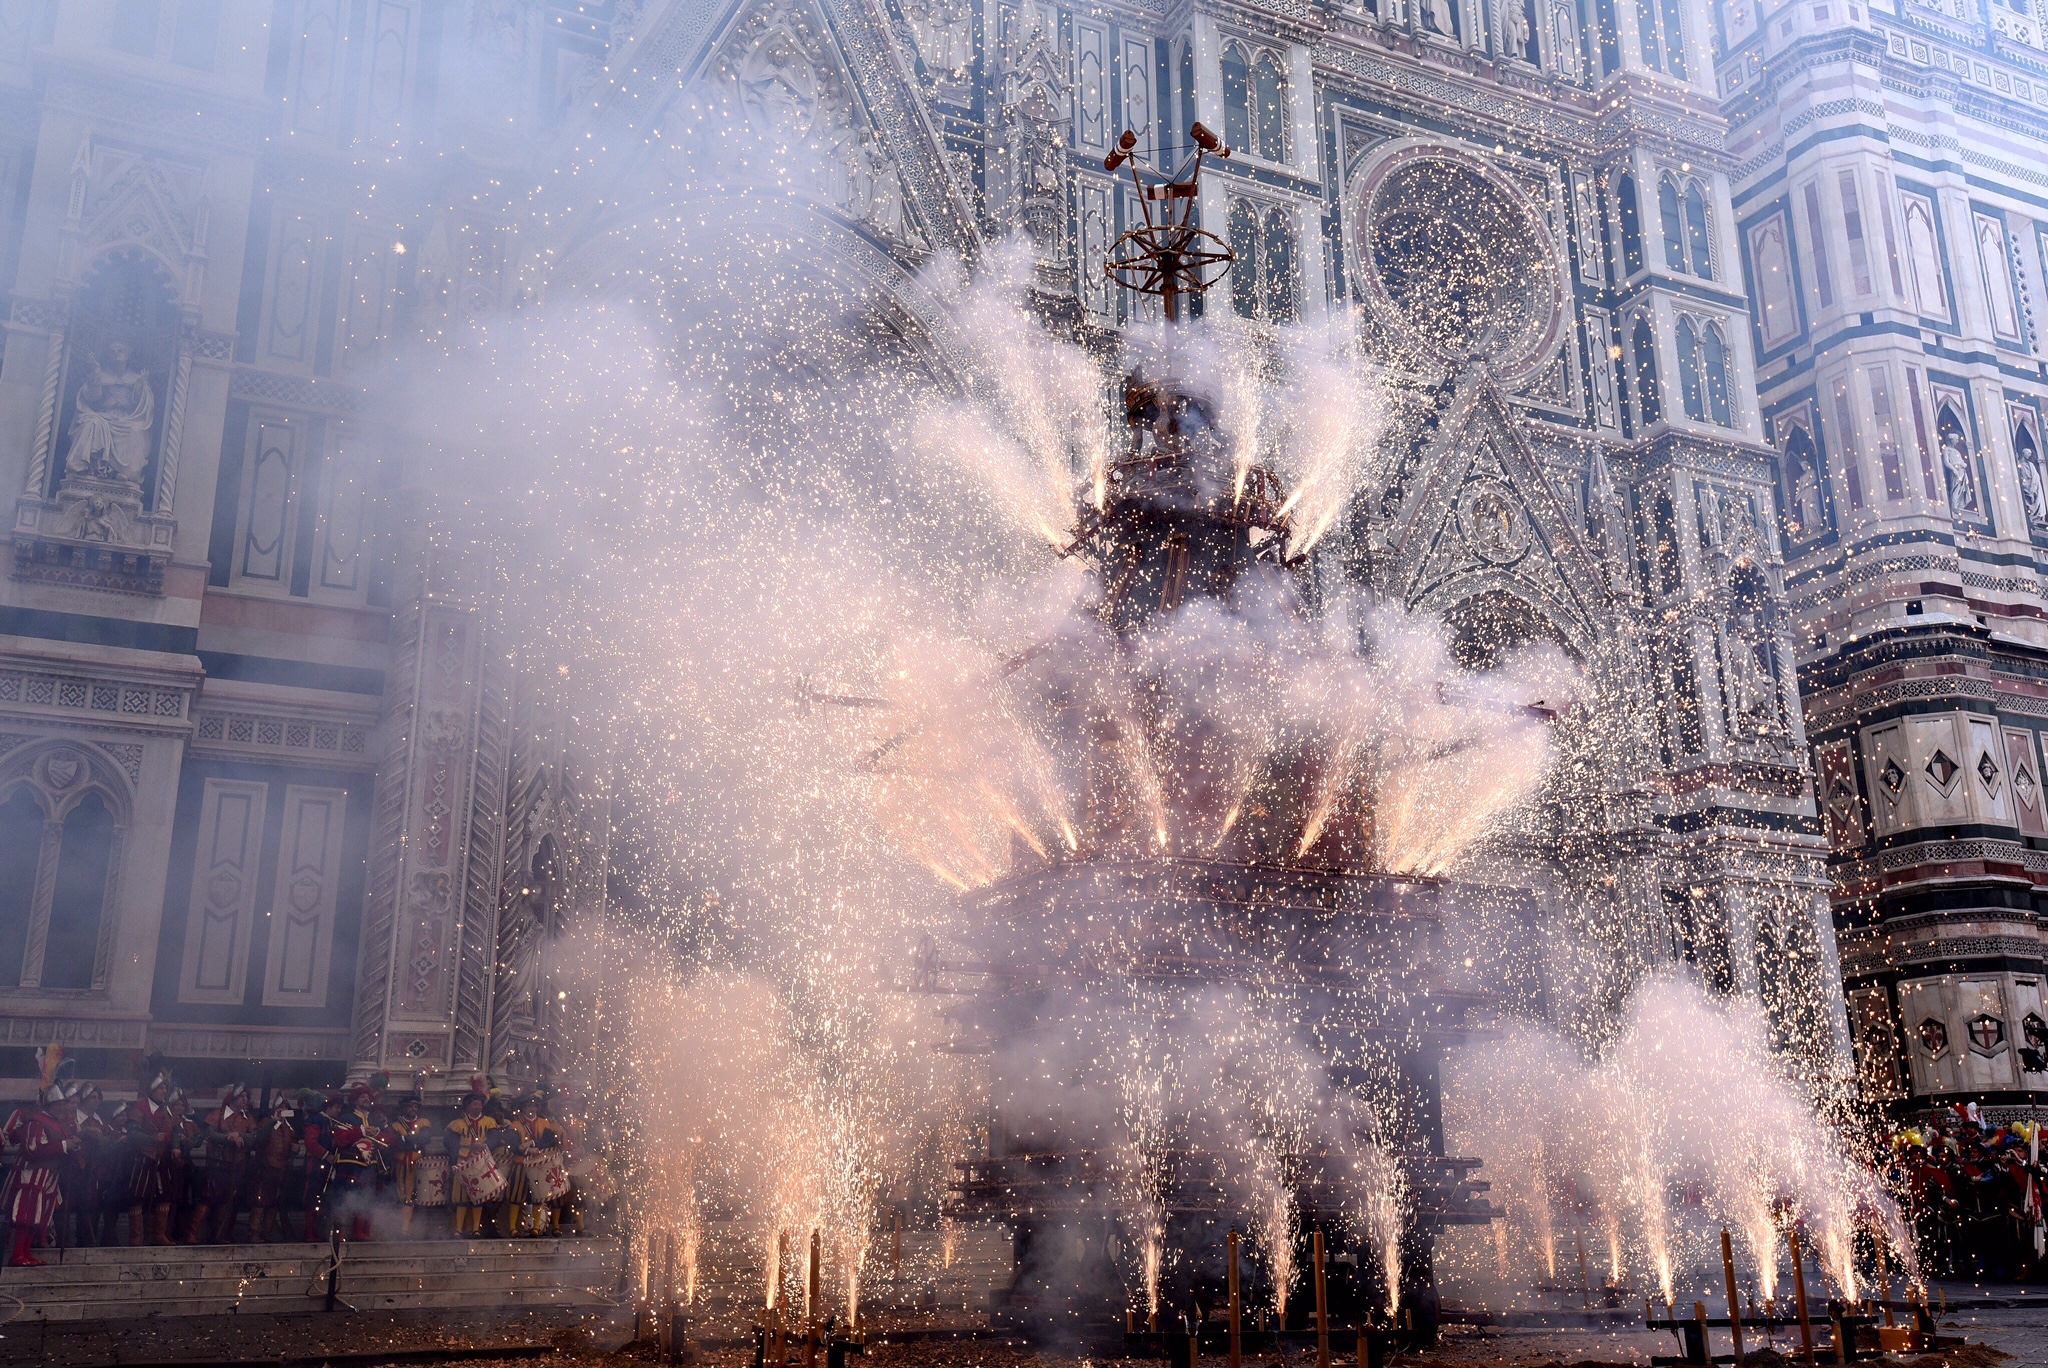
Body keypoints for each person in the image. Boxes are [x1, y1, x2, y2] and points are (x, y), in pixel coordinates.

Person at [3, 1048, 83, 1265]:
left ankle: (26, 1253)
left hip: (48, 1177)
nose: (63, 1107)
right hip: (32, 1176)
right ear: (51, 1104)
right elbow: (34, 1149)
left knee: (37, 1217)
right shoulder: (38, 1121)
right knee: (26, 1217)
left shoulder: (58, 1123)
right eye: (59, 1104)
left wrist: (73, 1146)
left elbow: (65, 1144)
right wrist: (64, 1144)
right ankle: (18, 1254)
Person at [190, 1083, 256, 1243]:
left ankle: (220, 1234)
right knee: (208, 1196)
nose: (245, 1099)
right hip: (217, 1163)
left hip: (237, 1164)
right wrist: (227, 1137)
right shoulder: (218, 1114)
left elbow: (254, 1137)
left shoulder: (247, 1119)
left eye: (246, 1097)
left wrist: (239, 1135)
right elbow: (210, 1133)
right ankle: (192, 1233)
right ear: (233, 1098)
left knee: (228, 1200)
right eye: (242, 1096)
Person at [122, 1058, 178, 1245]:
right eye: (161, 1088)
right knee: (138, 1196)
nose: (164, 1091)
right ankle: (136, 1237)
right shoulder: (140, 1108)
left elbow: (175, 1130)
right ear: (152, 1090)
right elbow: (132, 1133)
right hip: (143, 1159)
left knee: (165, 1194)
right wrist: (151, 1139)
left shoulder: (167, 1110)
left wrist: (176, 1145)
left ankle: (158, 1234)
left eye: (165, 1088)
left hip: (162, 1159)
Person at [326, 1082, 392, 1239]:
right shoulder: (346, 1118)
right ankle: (338, 1234)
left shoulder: (376, 1122)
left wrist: (379, 1134)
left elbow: (387, 1141)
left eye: (367, 1097)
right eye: (362, 1096)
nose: (366, 1099)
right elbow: (340, 1140)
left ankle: (361, 1232)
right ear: (355, 1100)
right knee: (342, 1200)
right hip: (349, 1166)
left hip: (370, 1167)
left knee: (367, 1200)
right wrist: (361, 1131)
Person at [446, 1079, 504, 1238]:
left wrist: (485, 1146)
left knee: (479, 1197)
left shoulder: (489, 1122)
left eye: (479, 1104)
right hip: (462, 1162)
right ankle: (458, 1229)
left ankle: (476, 1229)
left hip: (481, 1163)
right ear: (468, 1107)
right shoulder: (456, 1124)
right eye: (475, 1104)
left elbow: (495, 1138)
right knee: (461, 1198)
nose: (478, 1106)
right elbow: (449, 1143)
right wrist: (468, 1148)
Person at [505, 1093, 563, 1236]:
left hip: (539, 1164)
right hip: (521, 1164)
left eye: (534, 1105)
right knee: (516, 1195)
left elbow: (548, 1140)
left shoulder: (545, 1123)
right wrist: (526, 1150)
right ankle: (513, 1227)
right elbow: (513, 1144)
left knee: (538, 1195)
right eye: (528, 1105)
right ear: (523, 1108)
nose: (531, 1108)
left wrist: (532, 1144)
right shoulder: (515, 1125)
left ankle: (536, 1228)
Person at [248, 1093, 301, 1243]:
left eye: (285, 1107)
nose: (283, 1109)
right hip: (265, 1168)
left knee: (274, 1203)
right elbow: (259, 1138)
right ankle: (253, 1233)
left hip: (281, 1169)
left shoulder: (290, 1128)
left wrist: (295, 1150)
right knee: (260, 1201)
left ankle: (267, 1232)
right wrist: (273, 1121)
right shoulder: (266, 1123)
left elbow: (290, 1149)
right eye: (280, 1107)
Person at [389, 1090, 432, 1236]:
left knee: (414, 1194)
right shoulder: (395, 1125)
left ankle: (406, 1228)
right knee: (399, 1194)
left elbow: (425, 1139)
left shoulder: (424, 1122)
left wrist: (405, 1139)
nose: (413, 1109)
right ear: (404, 1108)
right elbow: (395, 1143)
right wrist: (411, 1141)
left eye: (415, 1107)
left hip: (417, 1163)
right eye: (409, 1107)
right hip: (400, 1163)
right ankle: (399, 1227)